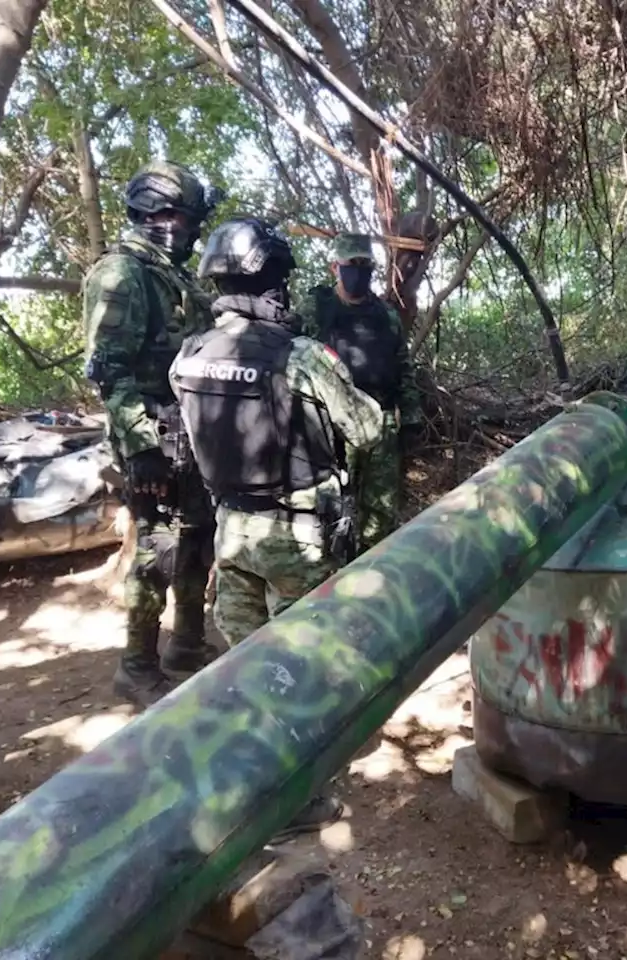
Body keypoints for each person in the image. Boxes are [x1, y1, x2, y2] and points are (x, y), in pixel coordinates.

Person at [171, 217, 383, 831]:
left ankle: (248, 781)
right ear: (272, 282)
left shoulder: (191, 354)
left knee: (245, 666)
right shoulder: (300, 356)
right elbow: (366, 429)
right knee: (302, 670)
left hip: (230, 531)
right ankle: (299, 799)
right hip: (296, 534)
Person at [82, 160, 223, 708]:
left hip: (189, 435)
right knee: (156, 552)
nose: (185, 228)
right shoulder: (122, 273)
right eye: (180, 216)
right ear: (153, 213)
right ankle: (136, 665)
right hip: (153, 438)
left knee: (197, 543)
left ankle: (186, 644)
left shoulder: (171, 273)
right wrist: (141, 446)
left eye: (187, 218)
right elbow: (108, 370)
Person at [296, 233, 421, 551]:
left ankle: (373, 570)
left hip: (380, 423)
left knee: (380, 514)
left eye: (366, 265)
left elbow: (403, 366)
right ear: (334, 267)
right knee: (328, 508)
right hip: (330, 427)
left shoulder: (385, 315)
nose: (359, 271)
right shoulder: (315, 311)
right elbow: (293, 361)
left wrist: (410, 417)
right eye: (352, 264)